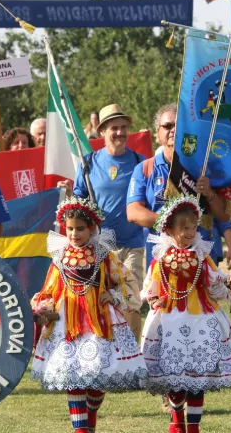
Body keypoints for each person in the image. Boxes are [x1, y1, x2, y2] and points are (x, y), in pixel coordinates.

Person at [30, 197, 145, 433]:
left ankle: (91, 413)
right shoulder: (60, 257)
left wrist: (114, 297)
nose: (74, 234)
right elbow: (50, 289)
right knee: (74, 380)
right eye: (70, 229)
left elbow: (127, 282)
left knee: (97, 379)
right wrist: (46, 307)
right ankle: (81, 429)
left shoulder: (104, 256)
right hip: (66, 324)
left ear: (92, 228)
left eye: (80, 229)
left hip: (100, 322)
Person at [141, 195, 231, 433]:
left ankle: (194, 425)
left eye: (193, 227)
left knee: (198, 374)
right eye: (184, 228)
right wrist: (156, 299)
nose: (189, 232)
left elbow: (214, 281)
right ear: (170, 229)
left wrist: (230, 281)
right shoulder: (161, 260)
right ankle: (177, 419)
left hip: (200, 320)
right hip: (169, 320)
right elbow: (150, 288)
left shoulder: (201, 256)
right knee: (174, 375)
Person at [65, 104, 147, 337]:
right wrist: (69, 195)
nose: (120, 132)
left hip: (132, 243)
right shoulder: (88, 163)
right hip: (100, 246)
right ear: (102, 131)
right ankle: (108, 351)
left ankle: (133, 356)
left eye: (123, 127)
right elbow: (79, 204)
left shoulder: (140, 163)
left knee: (131, 298)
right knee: (101, 299)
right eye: (114, 128)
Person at [127, 104, 230, 258]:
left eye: (179, 125)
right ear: (157, 134)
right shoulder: (144, 169)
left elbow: (223, 216)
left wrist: (209, 194)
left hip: (200, 259)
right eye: (168, 126)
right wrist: (173, 223)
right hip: (161, 260)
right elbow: (133, 213)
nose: (174, 130)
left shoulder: (205, 167)